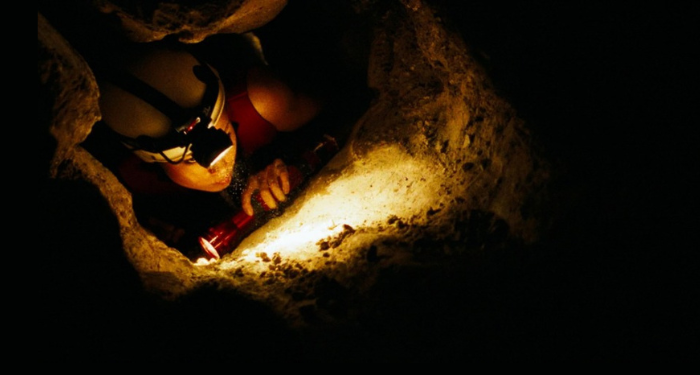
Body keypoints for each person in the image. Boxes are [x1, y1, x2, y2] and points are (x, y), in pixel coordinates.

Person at [84, 38, 325, 259]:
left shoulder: (265, 100)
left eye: (225, 134)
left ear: (228, 112)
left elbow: (345, 112)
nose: (220, 165)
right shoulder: (128, 179)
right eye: (190, 160)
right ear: (150, 160)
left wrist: (287, 160)